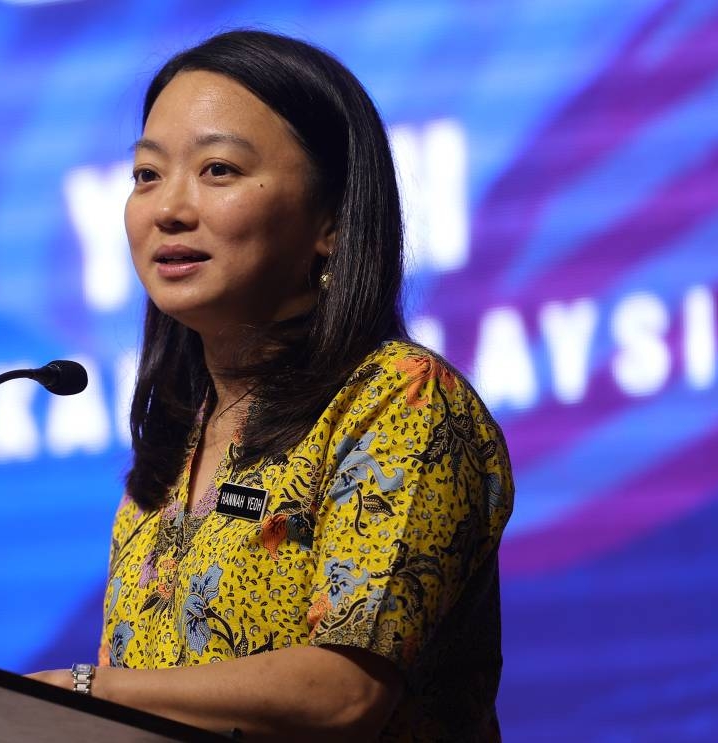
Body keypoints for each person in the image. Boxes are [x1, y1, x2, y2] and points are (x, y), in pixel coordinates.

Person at [30, 29, 513, 742]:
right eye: (146, 174)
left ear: (331, 221)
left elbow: (345, 693)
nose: (168, 208)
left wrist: (85, 691)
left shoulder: (399, 400)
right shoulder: (177, 441)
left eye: (218, 169)